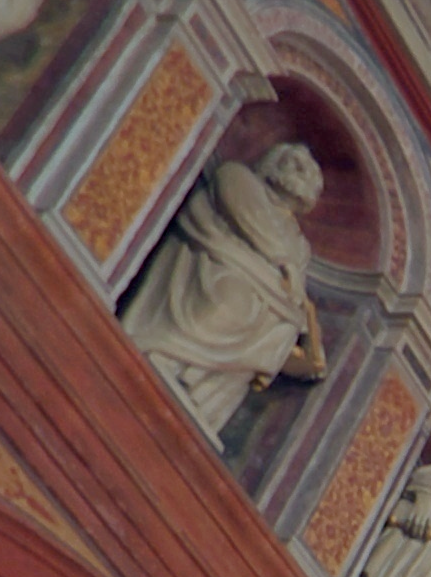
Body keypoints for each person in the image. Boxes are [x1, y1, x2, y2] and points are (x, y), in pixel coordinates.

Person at [119, 141, 327, 440]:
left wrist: (298, 308)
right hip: (222, 260)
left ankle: (200, 397)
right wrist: (286, 269)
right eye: (295, 163)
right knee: (231, 301)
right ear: (273, 163)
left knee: (279, 328)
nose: (301, 173)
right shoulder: (239, 178)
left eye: (308, 172)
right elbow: (252, 223)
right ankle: (166, 353)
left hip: (267, 294)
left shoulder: (301, 244)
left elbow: (295, 295)